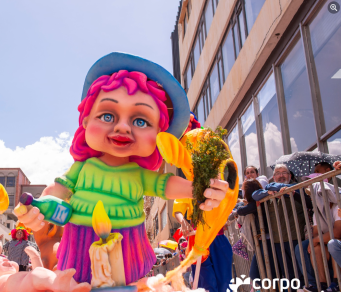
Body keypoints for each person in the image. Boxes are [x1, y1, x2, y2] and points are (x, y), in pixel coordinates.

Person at [13, 54, 229, 285]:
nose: (122, 127)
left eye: (140, 121)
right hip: (79, 249)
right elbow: (56, 192)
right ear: (86, 121)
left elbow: (165, 185)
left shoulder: (139, 175)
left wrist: (200, 189)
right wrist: (33, 209)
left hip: (128, 252)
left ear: (158, 136)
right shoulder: (82, 168)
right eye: (107, 115)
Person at [252, 164, 307, 290]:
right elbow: (255, 194)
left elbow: (289, 188)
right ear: (274, 176)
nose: (281, 175)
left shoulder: (295, 187)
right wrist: (268, 191)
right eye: (277, 173)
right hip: (278, 241)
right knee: (288, 277)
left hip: (296, 238)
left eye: (284, 172)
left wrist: (278, 188)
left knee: (300, 274)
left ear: (290, 175)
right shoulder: (270, 192)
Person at [294, 174, 341, 292]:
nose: (312, 199)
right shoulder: (317, 211)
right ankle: (321, 284)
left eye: (314, 196)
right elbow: (316, 233)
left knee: (333, 243)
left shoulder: (338, 205)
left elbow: (337, 233)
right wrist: (317, 240)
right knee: (316, 247)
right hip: (328, 239)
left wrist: (317, 239)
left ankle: (337, 283)